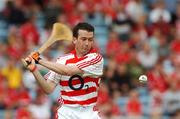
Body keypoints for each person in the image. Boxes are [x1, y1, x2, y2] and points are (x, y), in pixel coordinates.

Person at [24, 22, 104, 119]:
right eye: (83, 39)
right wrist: (34, 69)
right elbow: (48, 89)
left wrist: (39, 60)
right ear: (74, 40)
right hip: (66, 113)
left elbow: (68, 71)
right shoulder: (62, 60)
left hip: (88, 113)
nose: (87, 43)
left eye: (90, 40)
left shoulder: (96, 58)